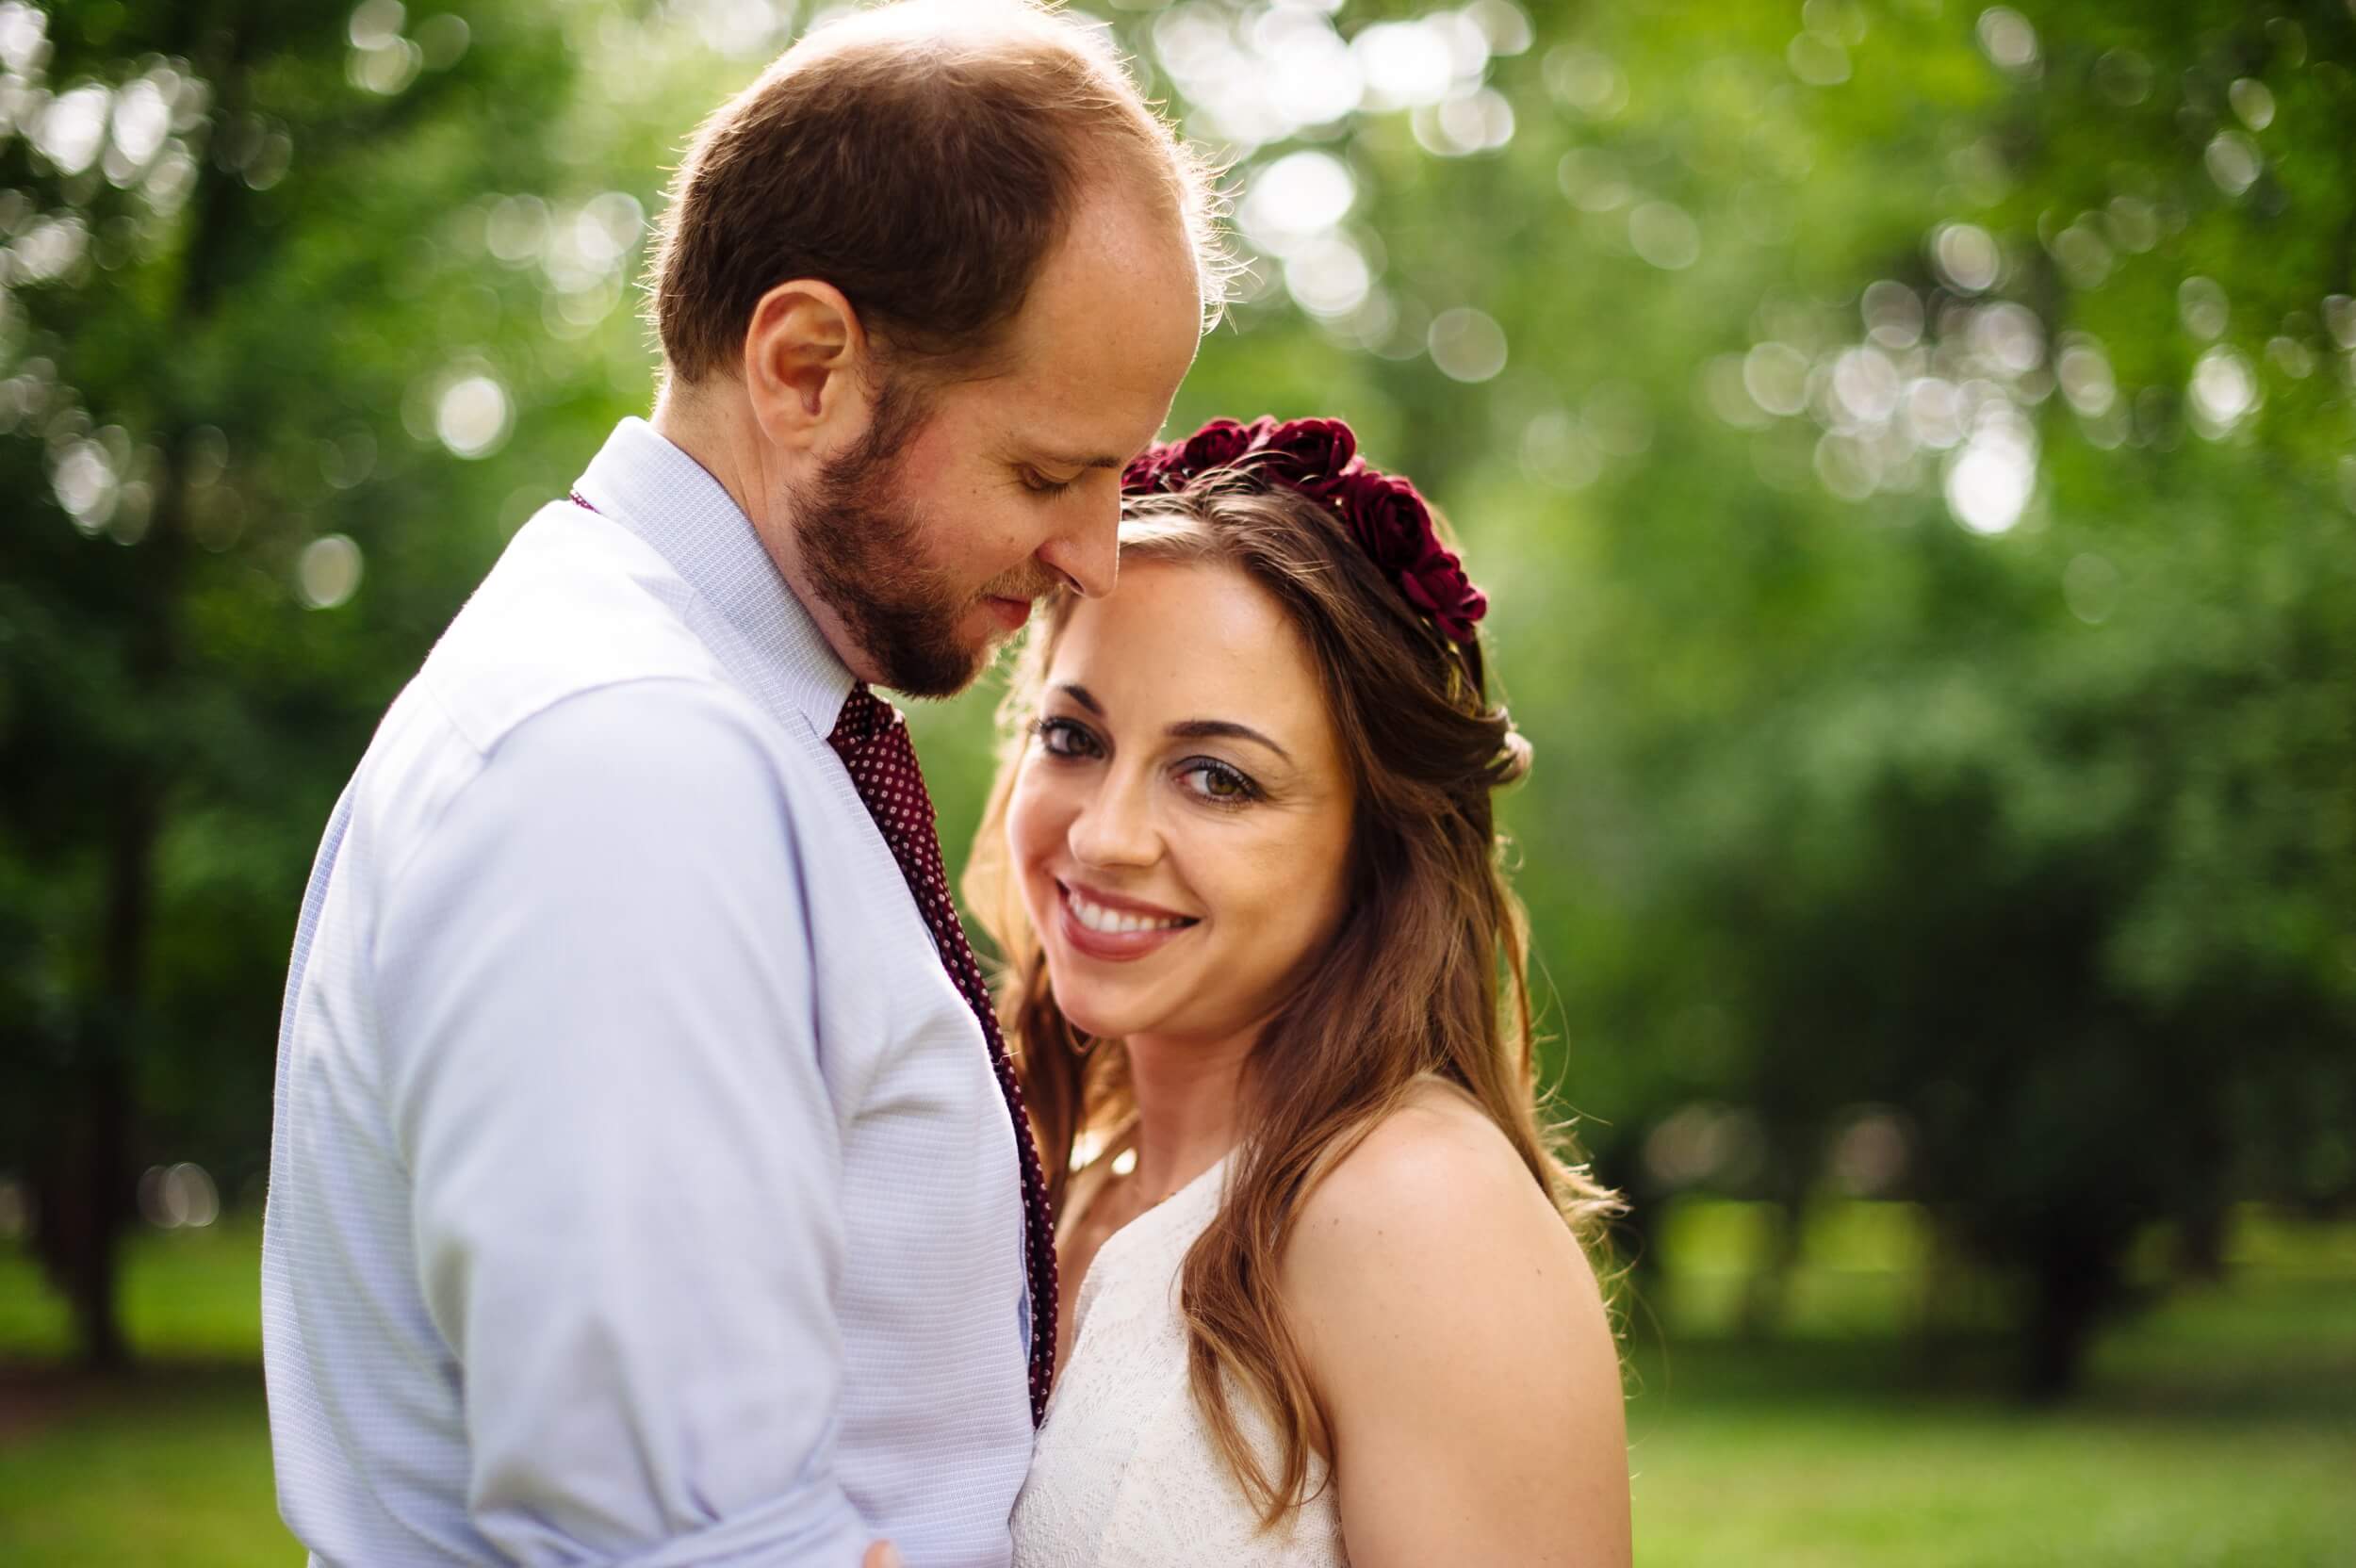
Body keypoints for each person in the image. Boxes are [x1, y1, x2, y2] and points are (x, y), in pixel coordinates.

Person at [259, 4, 1219, 1563]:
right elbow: (693, 1544)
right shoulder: (627, 773)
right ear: (805, 366)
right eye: (1049, 472)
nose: (1089, 555)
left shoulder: (712, 722)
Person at [964, 416, 1632, 1566]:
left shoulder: (1418, 1212)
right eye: (1073, 736)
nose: (1106, 833)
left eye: (1217, 776)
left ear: (1372, 845)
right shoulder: (1059, 1184)